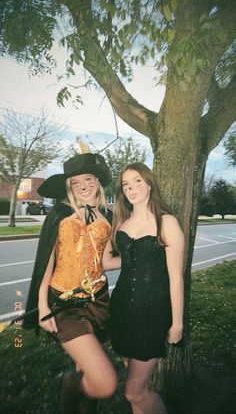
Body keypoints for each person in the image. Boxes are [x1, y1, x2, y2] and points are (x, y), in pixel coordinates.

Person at [24, 153, 117, 414]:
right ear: (69, 188)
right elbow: (46, 264)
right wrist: (43, 306)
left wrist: (142, 258)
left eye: (88, 179)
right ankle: (68, 384)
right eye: (76, 183)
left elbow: (107, 261)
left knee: (86, 370)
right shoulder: (60, 215)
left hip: (99, 301)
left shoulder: (108, 217)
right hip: (65, 304)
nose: (83, 187)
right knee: (105, 382)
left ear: (97, 182)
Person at [102, 162, 184, 414]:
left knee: (134, 392)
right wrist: (107, 227)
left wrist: (177, 323)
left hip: (151, 313)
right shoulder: (121, 222)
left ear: (149, 183)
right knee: (135, 385)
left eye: (137, 181)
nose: (132, 188)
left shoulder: (166, 221)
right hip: (122, 309)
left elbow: (176, 277)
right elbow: (107, 262)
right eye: (126, 184)